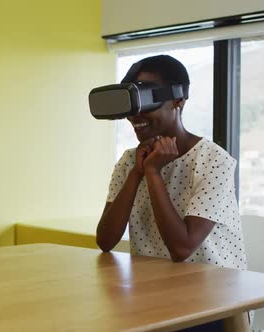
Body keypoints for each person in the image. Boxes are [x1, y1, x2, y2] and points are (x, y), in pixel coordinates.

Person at [96, 55, 247, 331]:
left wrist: (153, 173)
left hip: (213, 301)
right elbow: (105, 240)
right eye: (132, 105)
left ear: (179, 100)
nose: (135, 115)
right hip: (152, 294)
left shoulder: (213, 161)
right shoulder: (130, 162)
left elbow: (181, 248)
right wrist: (137, 174)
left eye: (147, 100)